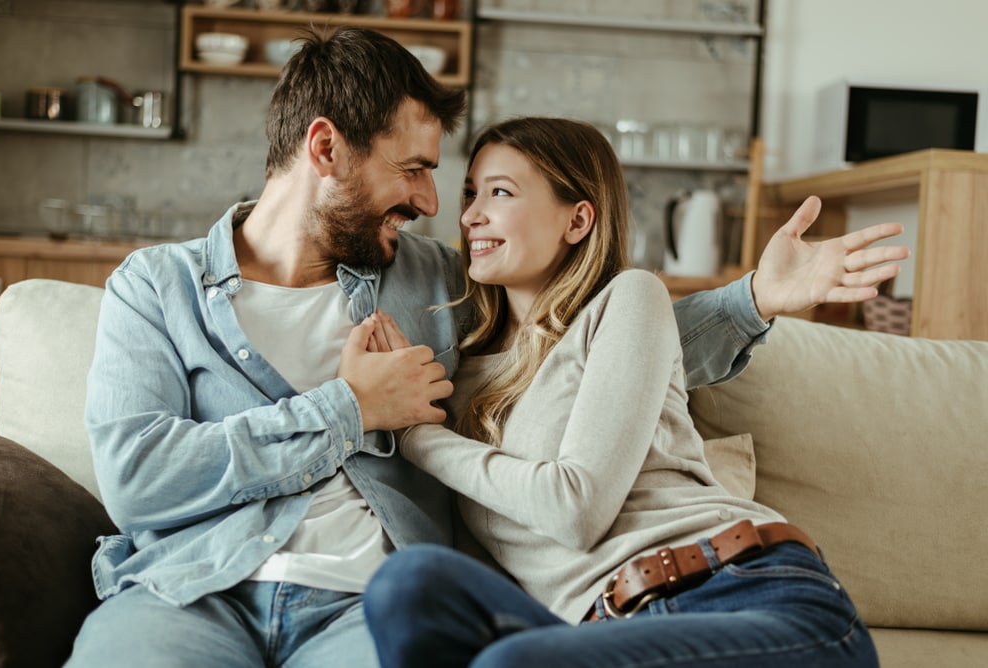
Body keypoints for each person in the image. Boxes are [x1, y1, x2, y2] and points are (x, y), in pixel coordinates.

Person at [68, 26, 904, 668]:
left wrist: (752, 299)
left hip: (364, 604)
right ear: (325, 149)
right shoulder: (158, 287)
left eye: (460, 185)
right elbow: (140, 480)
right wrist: (348, 410)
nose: (436, 204)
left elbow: (590, 350)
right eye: (415, 171)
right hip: (190, 592)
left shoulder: (436, 279)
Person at [361, 117, 882, 668]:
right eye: (470, 194)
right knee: (408, 583)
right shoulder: (459, 379)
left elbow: (575, 509)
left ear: (578, 219)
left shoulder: (628, 299)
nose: (469, 216)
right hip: (597, 630)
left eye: (500, 192)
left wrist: (417, 433)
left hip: (743, 594)